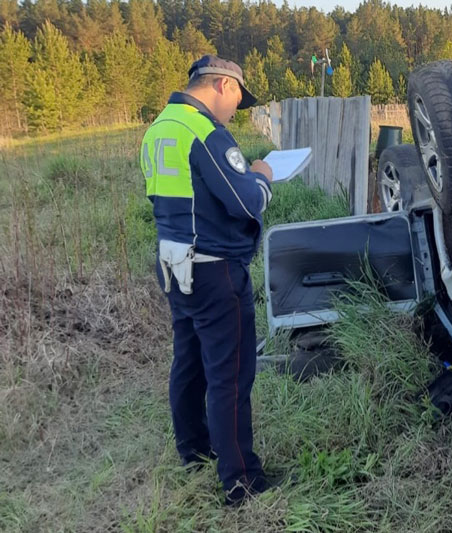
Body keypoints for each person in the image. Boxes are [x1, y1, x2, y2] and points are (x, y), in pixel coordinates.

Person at [139, 55, 275, 506]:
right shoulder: (203, 130)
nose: (237, 108)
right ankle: (241, 482)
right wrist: (263, 177)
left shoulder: (159, 127)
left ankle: (192, 450)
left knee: (190, 360)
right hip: (215, 270)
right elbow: (243, 200)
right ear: (221, 84)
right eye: (238, 96)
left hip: (173, 265)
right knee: (230, 375)